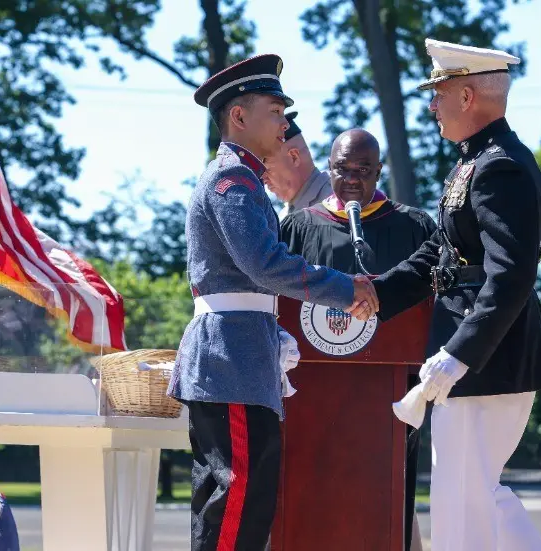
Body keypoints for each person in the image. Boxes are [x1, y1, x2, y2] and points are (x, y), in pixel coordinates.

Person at [168, 54, 378, 551]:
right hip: (231, 356)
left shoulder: (244, 180)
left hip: (240, 355)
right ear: (238, 117)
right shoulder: (231, 181)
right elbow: (265, 263)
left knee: (241, 501)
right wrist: (347, 288)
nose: (285, 122)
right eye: (274, 110)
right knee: (236, 500)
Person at [359, 38, 541, 551]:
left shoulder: (500, 167)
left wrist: (458, 355)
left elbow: (511, 276)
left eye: (438, 92)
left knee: (467, 506)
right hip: (474, 357)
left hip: (485, 359)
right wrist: (375, 295)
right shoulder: (476, 162)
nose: (431, 105)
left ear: (467, 96)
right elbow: (438, 253)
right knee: (467, 501)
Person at [280, 128, 436, 551]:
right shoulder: (296, 228)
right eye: (342, 169)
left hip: (389, 399)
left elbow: (429, 306)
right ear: (328, 170)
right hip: (310, 399)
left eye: (363, 170)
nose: (352, 179)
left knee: (387, 504)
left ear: (379, 171)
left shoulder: (415, 227)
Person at [261, 111, 332, 219]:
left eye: (266, 168)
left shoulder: (337, 202)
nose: (262, 178)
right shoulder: (284, 215)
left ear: (294, 157)